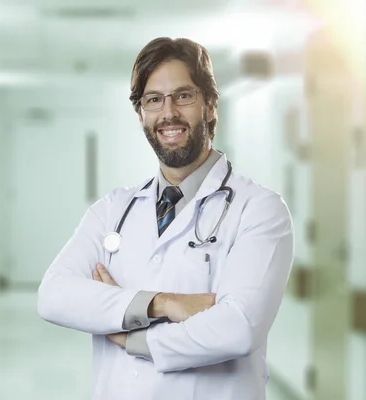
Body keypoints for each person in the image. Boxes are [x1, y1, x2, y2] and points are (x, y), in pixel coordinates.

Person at [36, 37, 294, 400]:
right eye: (153, 99)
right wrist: (161, 303)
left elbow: (238, 328)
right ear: (140, 113)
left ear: (209, 105)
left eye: (183, 96)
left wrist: (133, 337)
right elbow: (53, 295)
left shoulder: (260, 209)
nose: (168, 112)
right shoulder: (114, 208)